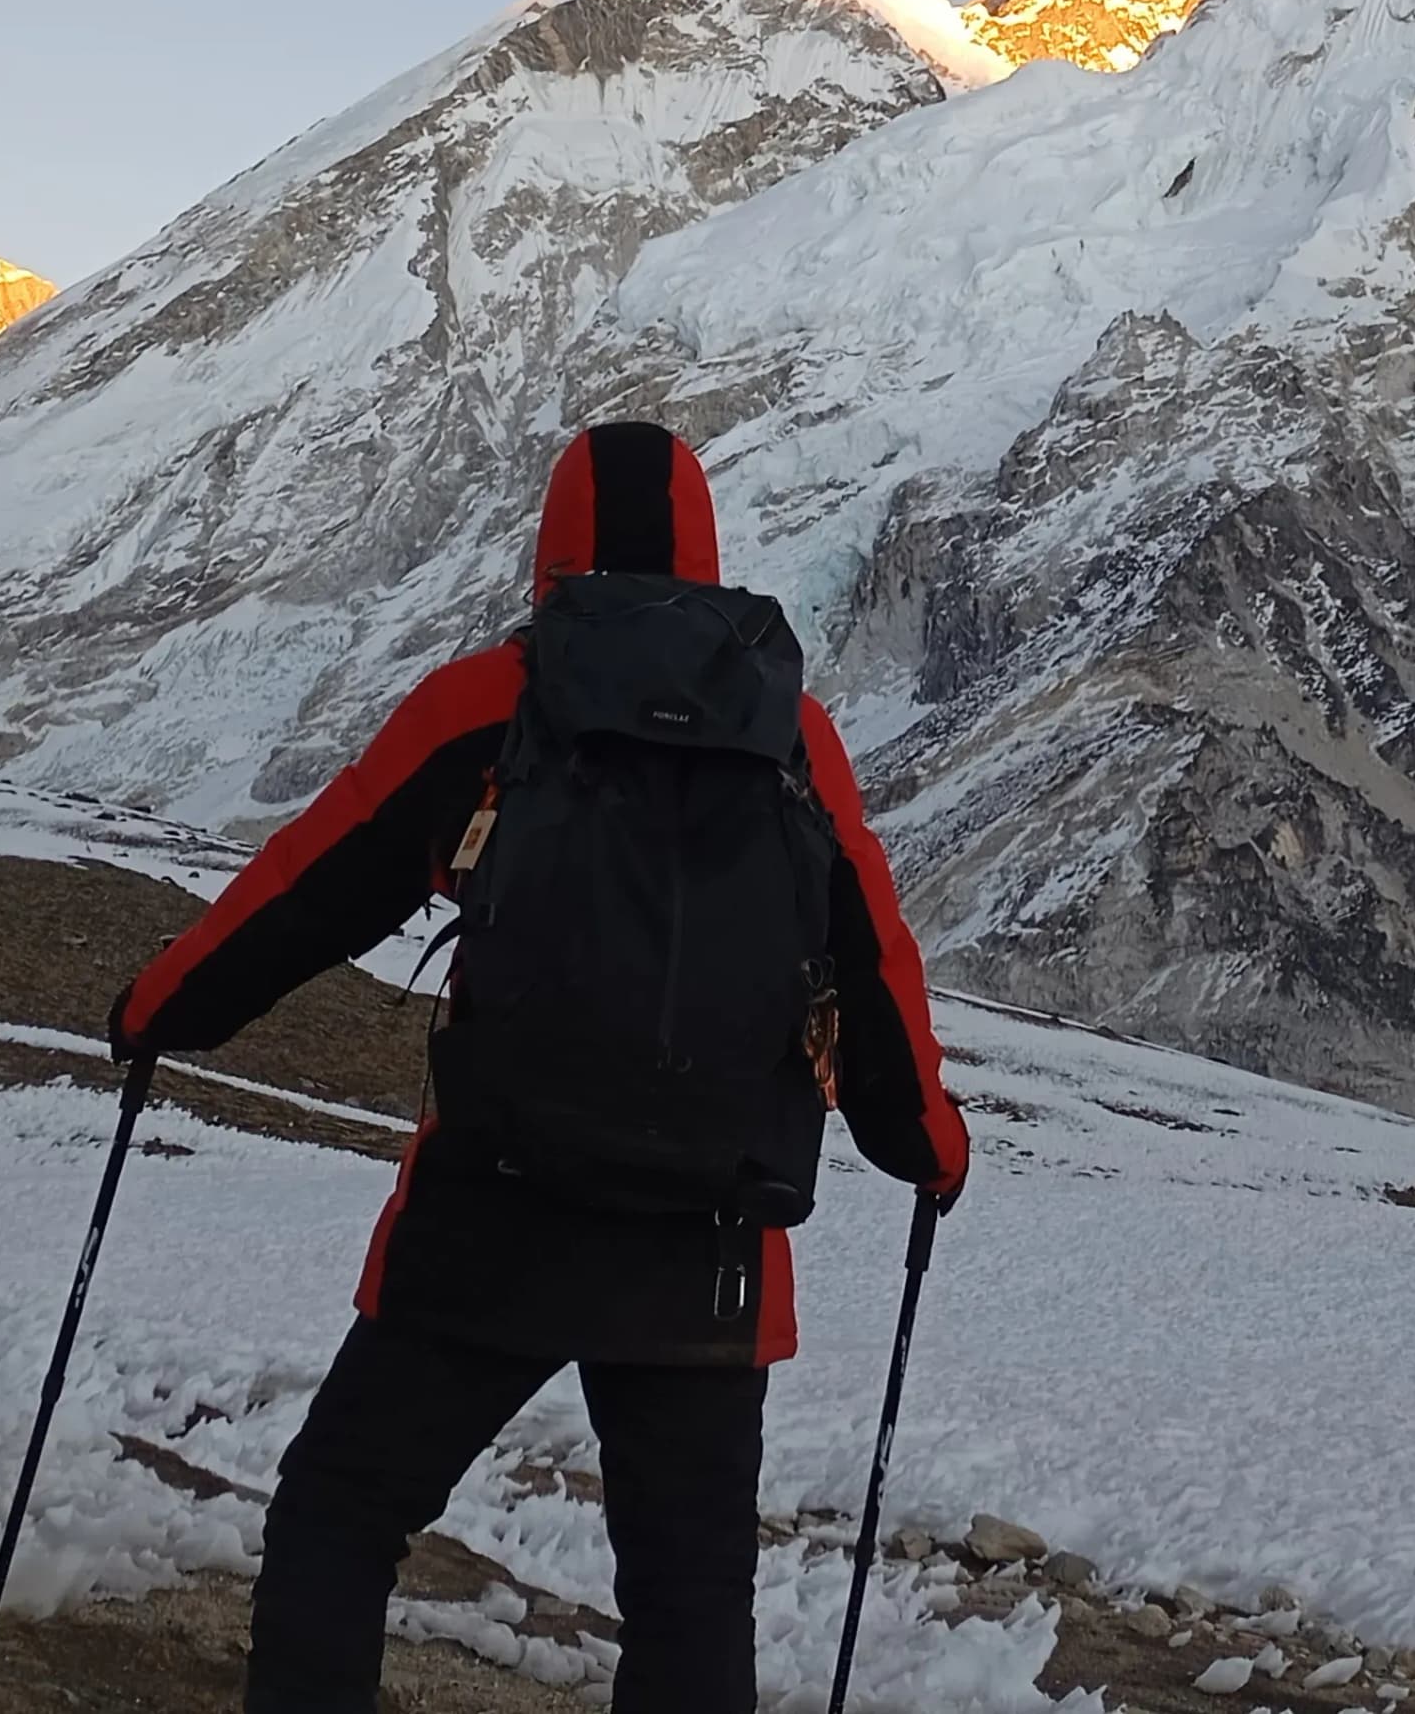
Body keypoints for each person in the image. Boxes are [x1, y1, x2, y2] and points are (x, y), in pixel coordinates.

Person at [108, 420, 970, 1714]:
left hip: (495, 1211)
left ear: (551, 551)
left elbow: (309, 888)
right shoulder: (794, 737)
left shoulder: (491, 704)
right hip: (709, 1241)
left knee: (343, 1511)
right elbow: (876, 967)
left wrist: (159, 1013)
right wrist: (928, 1148)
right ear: (706, 555)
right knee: (687, 1607)